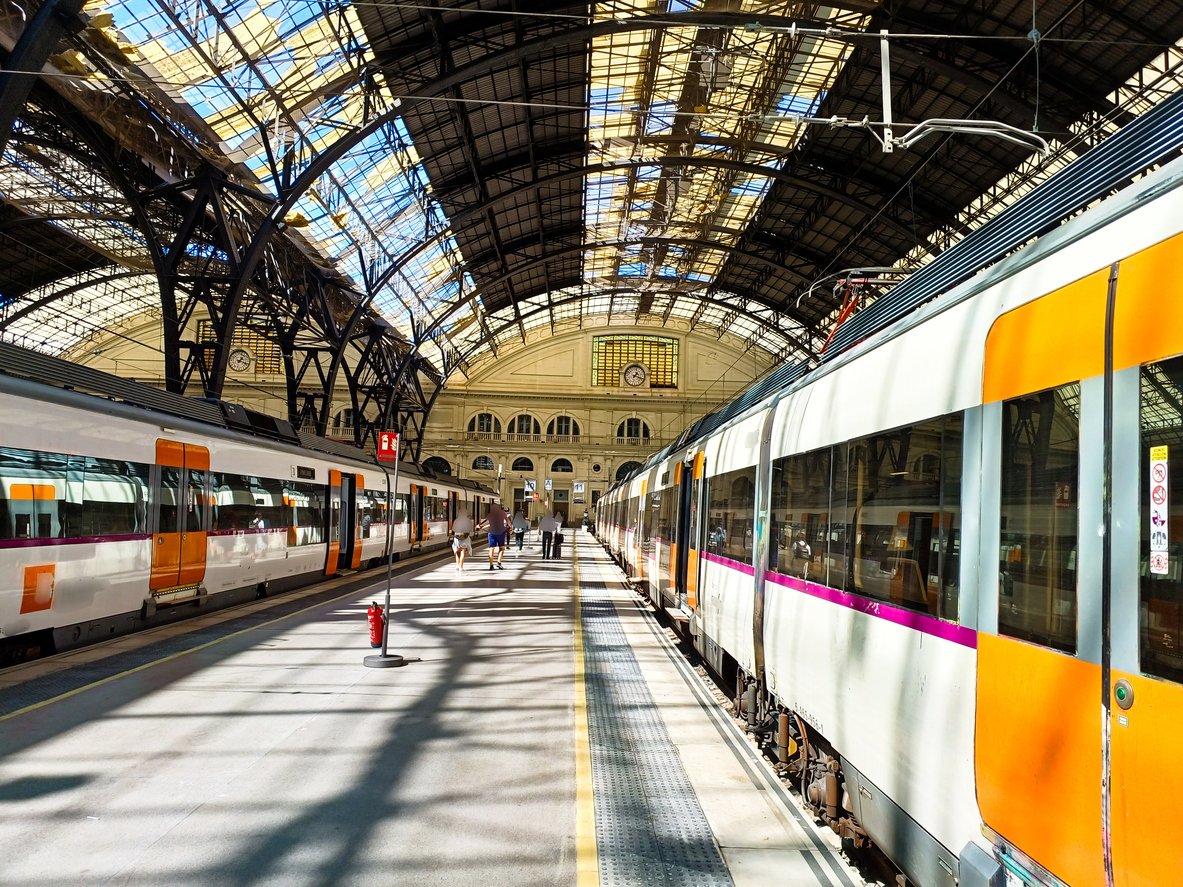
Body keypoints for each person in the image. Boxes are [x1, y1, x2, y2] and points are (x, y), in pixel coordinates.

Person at [486, 502, 508, 570]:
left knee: (491, 548)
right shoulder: (502, 513)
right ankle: (498, 562)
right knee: (501, 548)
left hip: (491, 533)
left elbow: (490, 524)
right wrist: (511, 527)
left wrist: (480, 527)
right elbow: (507, 521)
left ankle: (491, 564)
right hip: (501, 532)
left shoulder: (490, 515)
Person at [452, 507, 474, 572]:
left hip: (456, 538)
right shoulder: (467, 520)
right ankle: (461, 567)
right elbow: (470, 529)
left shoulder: (456, 520)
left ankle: (457, 565)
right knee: (462, 552)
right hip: (464, 538)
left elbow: (453, 529)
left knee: (457, 552)